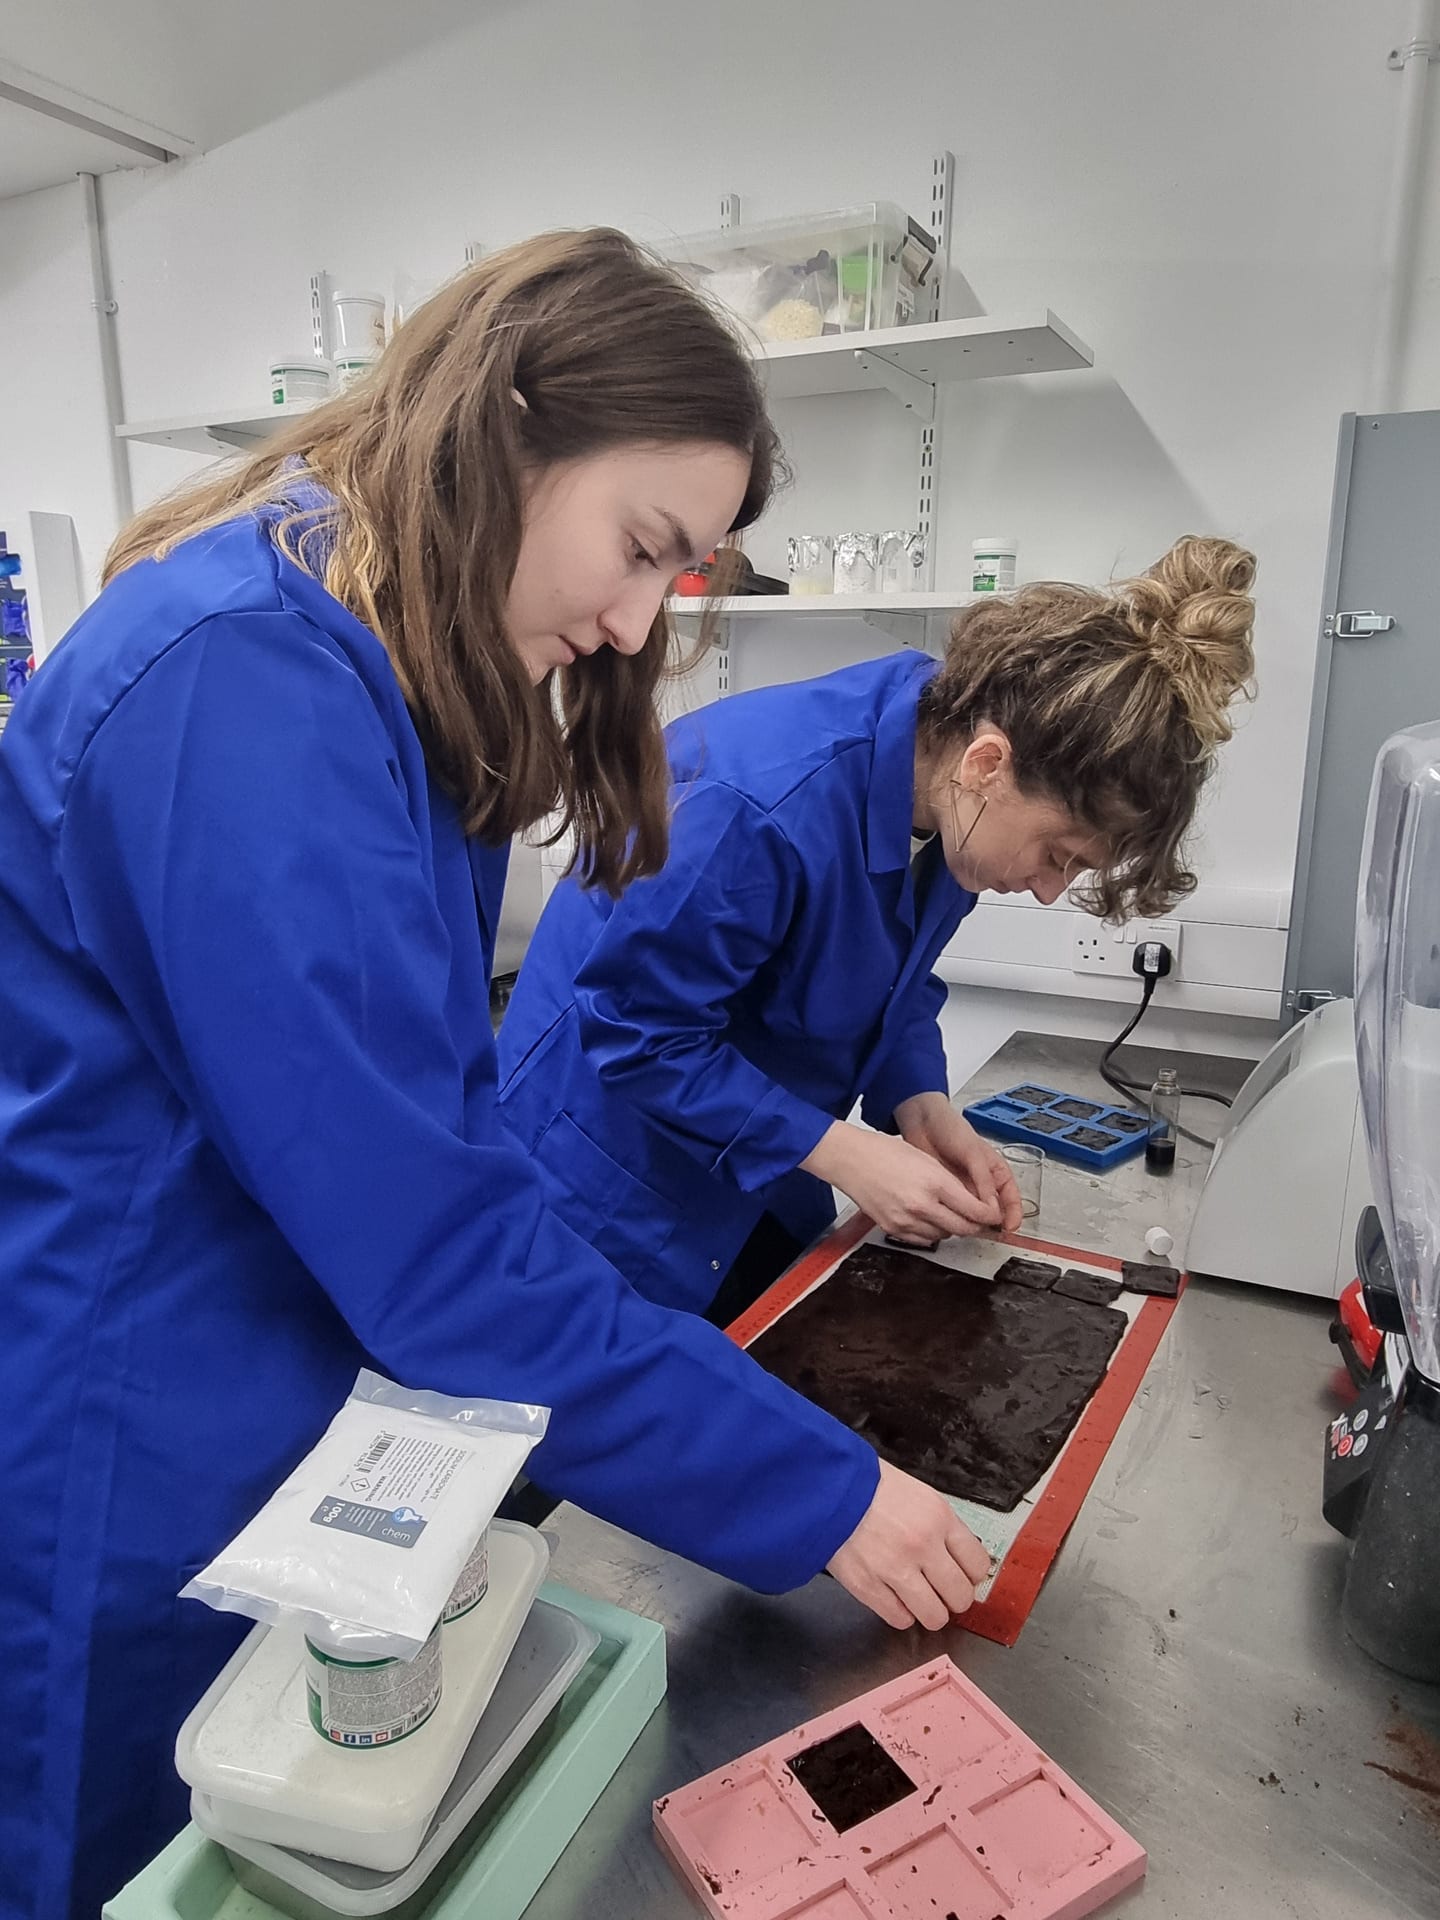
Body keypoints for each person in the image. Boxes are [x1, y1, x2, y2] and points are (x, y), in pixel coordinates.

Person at [0, 230, 988, 1920]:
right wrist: (816, 1488)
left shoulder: (371, 663)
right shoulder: (243, 684)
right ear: (507, 435)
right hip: (133, 1408)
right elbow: (442, 1249)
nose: (627, 624)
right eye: (639, 548)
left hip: (271, 1367)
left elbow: (422, 1136)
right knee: (117, 1856)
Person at [498, 536, 1257, 1326]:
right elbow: (636, 1032)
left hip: (754, 1167)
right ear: (989, 764)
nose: (1044, 890)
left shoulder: (942, 779)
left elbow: (887, 972)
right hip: (603, 1178)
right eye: (1056, 854)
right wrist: (845, 1151)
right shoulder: (756, 807)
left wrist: (920, 1102)